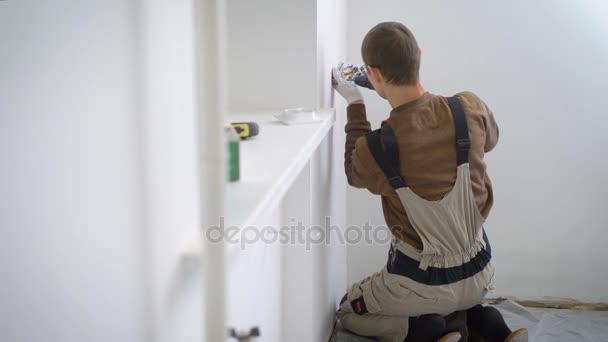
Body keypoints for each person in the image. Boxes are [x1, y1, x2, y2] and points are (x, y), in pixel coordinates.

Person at [332, 21, 528, 342]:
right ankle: (493, 328)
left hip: (420, 285)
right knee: (457, 295)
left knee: (347, 310)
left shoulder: (376, 146)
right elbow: (489, 140)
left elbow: (355, 174)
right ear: (419, 55)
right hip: (480, 273)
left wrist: (355, 104)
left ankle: (423, 332)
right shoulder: (469, 107)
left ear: (374, 73)